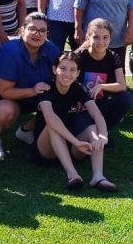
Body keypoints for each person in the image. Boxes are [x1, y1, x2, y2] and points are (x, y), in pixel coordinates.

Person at [0, 12, 61, 159]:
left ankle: (25, 131)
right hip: (1, 97)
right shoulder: (9, 51)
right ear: (22, 30)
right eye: (32, 29)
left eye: (42, 31)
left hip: (33, 94)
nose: (37, 34)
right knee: (7, 110)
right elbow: (5, 91)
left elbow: (65, 69)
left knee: (61, 102)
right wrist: (33, 91)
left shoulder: (51, 49)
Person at [33, 52, 115, 192]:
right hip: (46, 151)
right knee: (52, 126)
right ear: (54, 70)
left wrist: (103, 135)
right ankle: (72, 175)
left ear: (78, 73)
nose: (67, 74)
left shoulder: (78, 88)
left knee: (93, 128)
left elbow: (97, 114)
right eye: (63, 68)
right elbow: (50, 117)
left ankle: (98, 176)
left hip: (71, 147)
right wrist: (76, 142)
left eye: (72, 70)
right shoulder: (46, 88)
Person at [75, 18, 133, 135]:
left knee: (126, 97)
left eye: (105, 37)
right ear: (88, 37)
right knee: (81, 129)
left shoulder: (113, 57)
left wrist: (101, 86)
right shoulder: (78, 56)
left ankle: (104, 129)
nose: (101, 42)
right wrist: (77, 98)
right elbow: (70, 82)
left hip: (101, 104)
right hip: (81, 105)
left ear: (110, 38)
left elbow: (122, 85)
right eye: (96, 37)